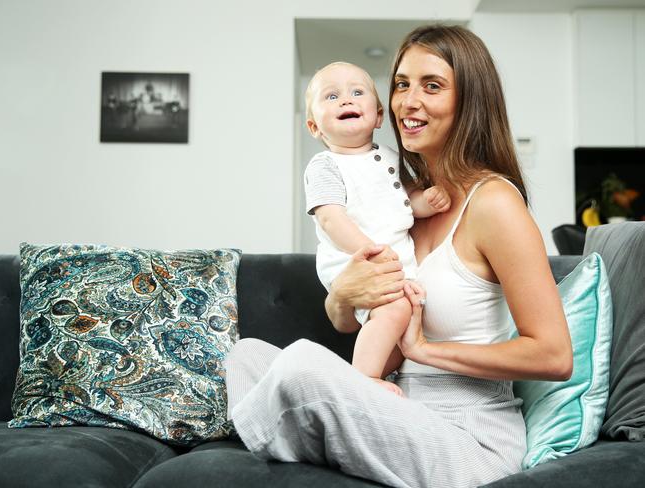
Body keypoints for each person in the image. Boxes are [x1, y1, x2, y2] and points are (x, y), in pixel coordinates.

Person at [224, 25, 573, 488]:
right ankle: (315, 443)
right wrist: (341, 299)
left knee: (301, 365)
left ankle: (297, 443)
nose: (409, 101)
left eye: (432, 86)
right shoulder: (401, 204)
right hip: (392, 407)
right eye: (402, 84)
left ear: (469, 101)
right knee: (246, 356)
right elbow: (356, 319)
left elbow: (553, 356)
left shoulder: (493, 203)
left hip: (466, 434)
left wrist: (425, 350)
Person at [303, 61, 451, 395]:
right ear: (315, 127)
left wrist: (428, 201)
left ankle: (364, 378)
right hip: (354, 261)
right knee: (395, 309)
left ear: (379, 115)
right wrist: (369, 251)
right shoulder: (326, 165)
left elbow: (404, 203)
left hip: (394, 261)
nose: (346, 100)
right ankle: (364, 380)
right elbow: (330, 217)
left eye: (357, 92)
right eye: (331, 96)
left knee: (408, 318)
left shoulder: (390, 156)